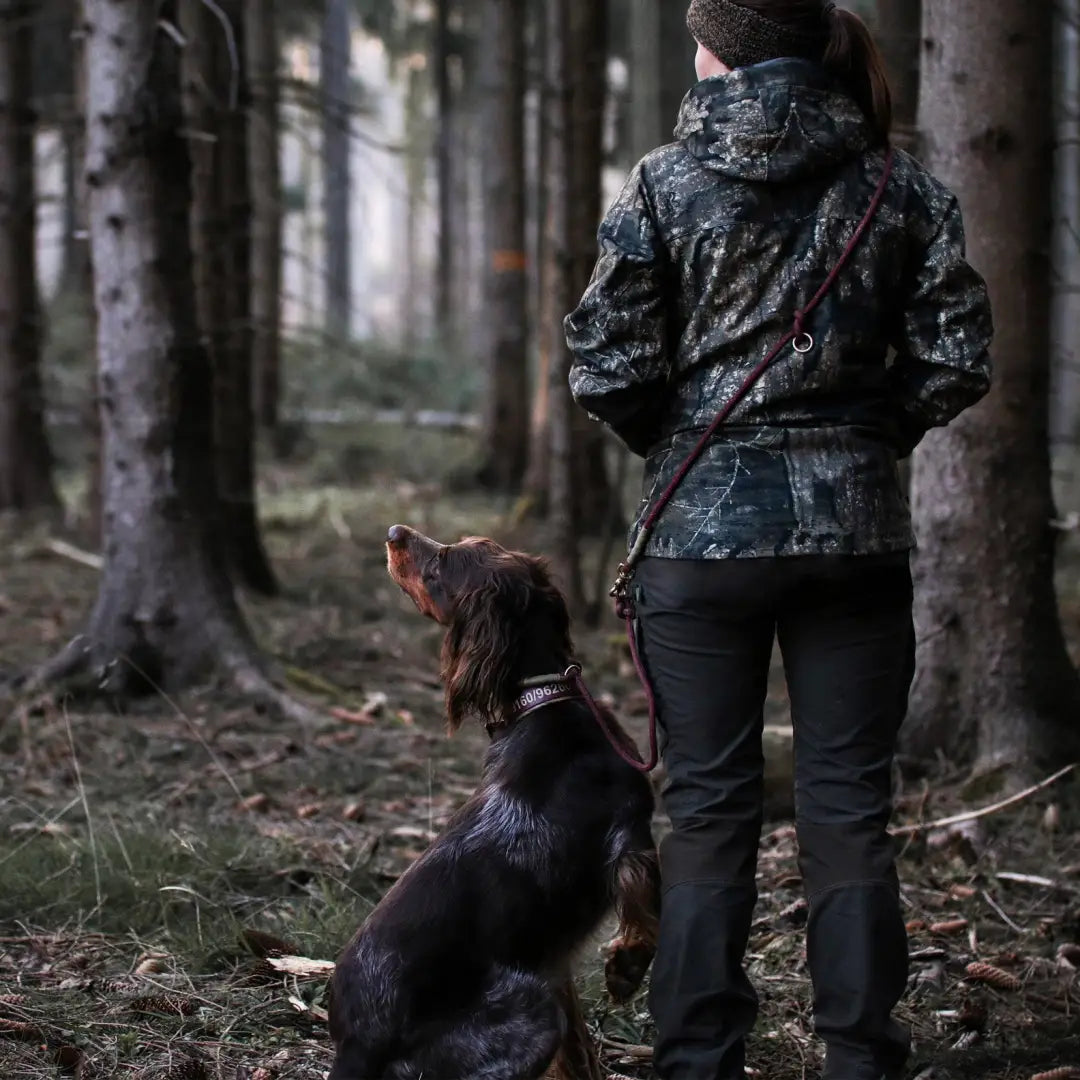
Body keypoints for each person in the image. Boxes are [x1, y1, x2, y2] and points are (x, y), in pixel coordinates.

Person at [564, 2, 993, 1079]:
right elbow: (957, 352)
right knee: (850, 809)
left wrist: (685, 455)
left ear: (722, 51)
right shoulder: (900, 184)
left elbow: (605, 364)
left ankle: (697, 1060)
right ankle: (861, 1058)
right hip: (854, 540)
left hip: (700, 545)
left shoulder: (664, 180)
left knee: (708, 810)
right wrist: (866, 436)